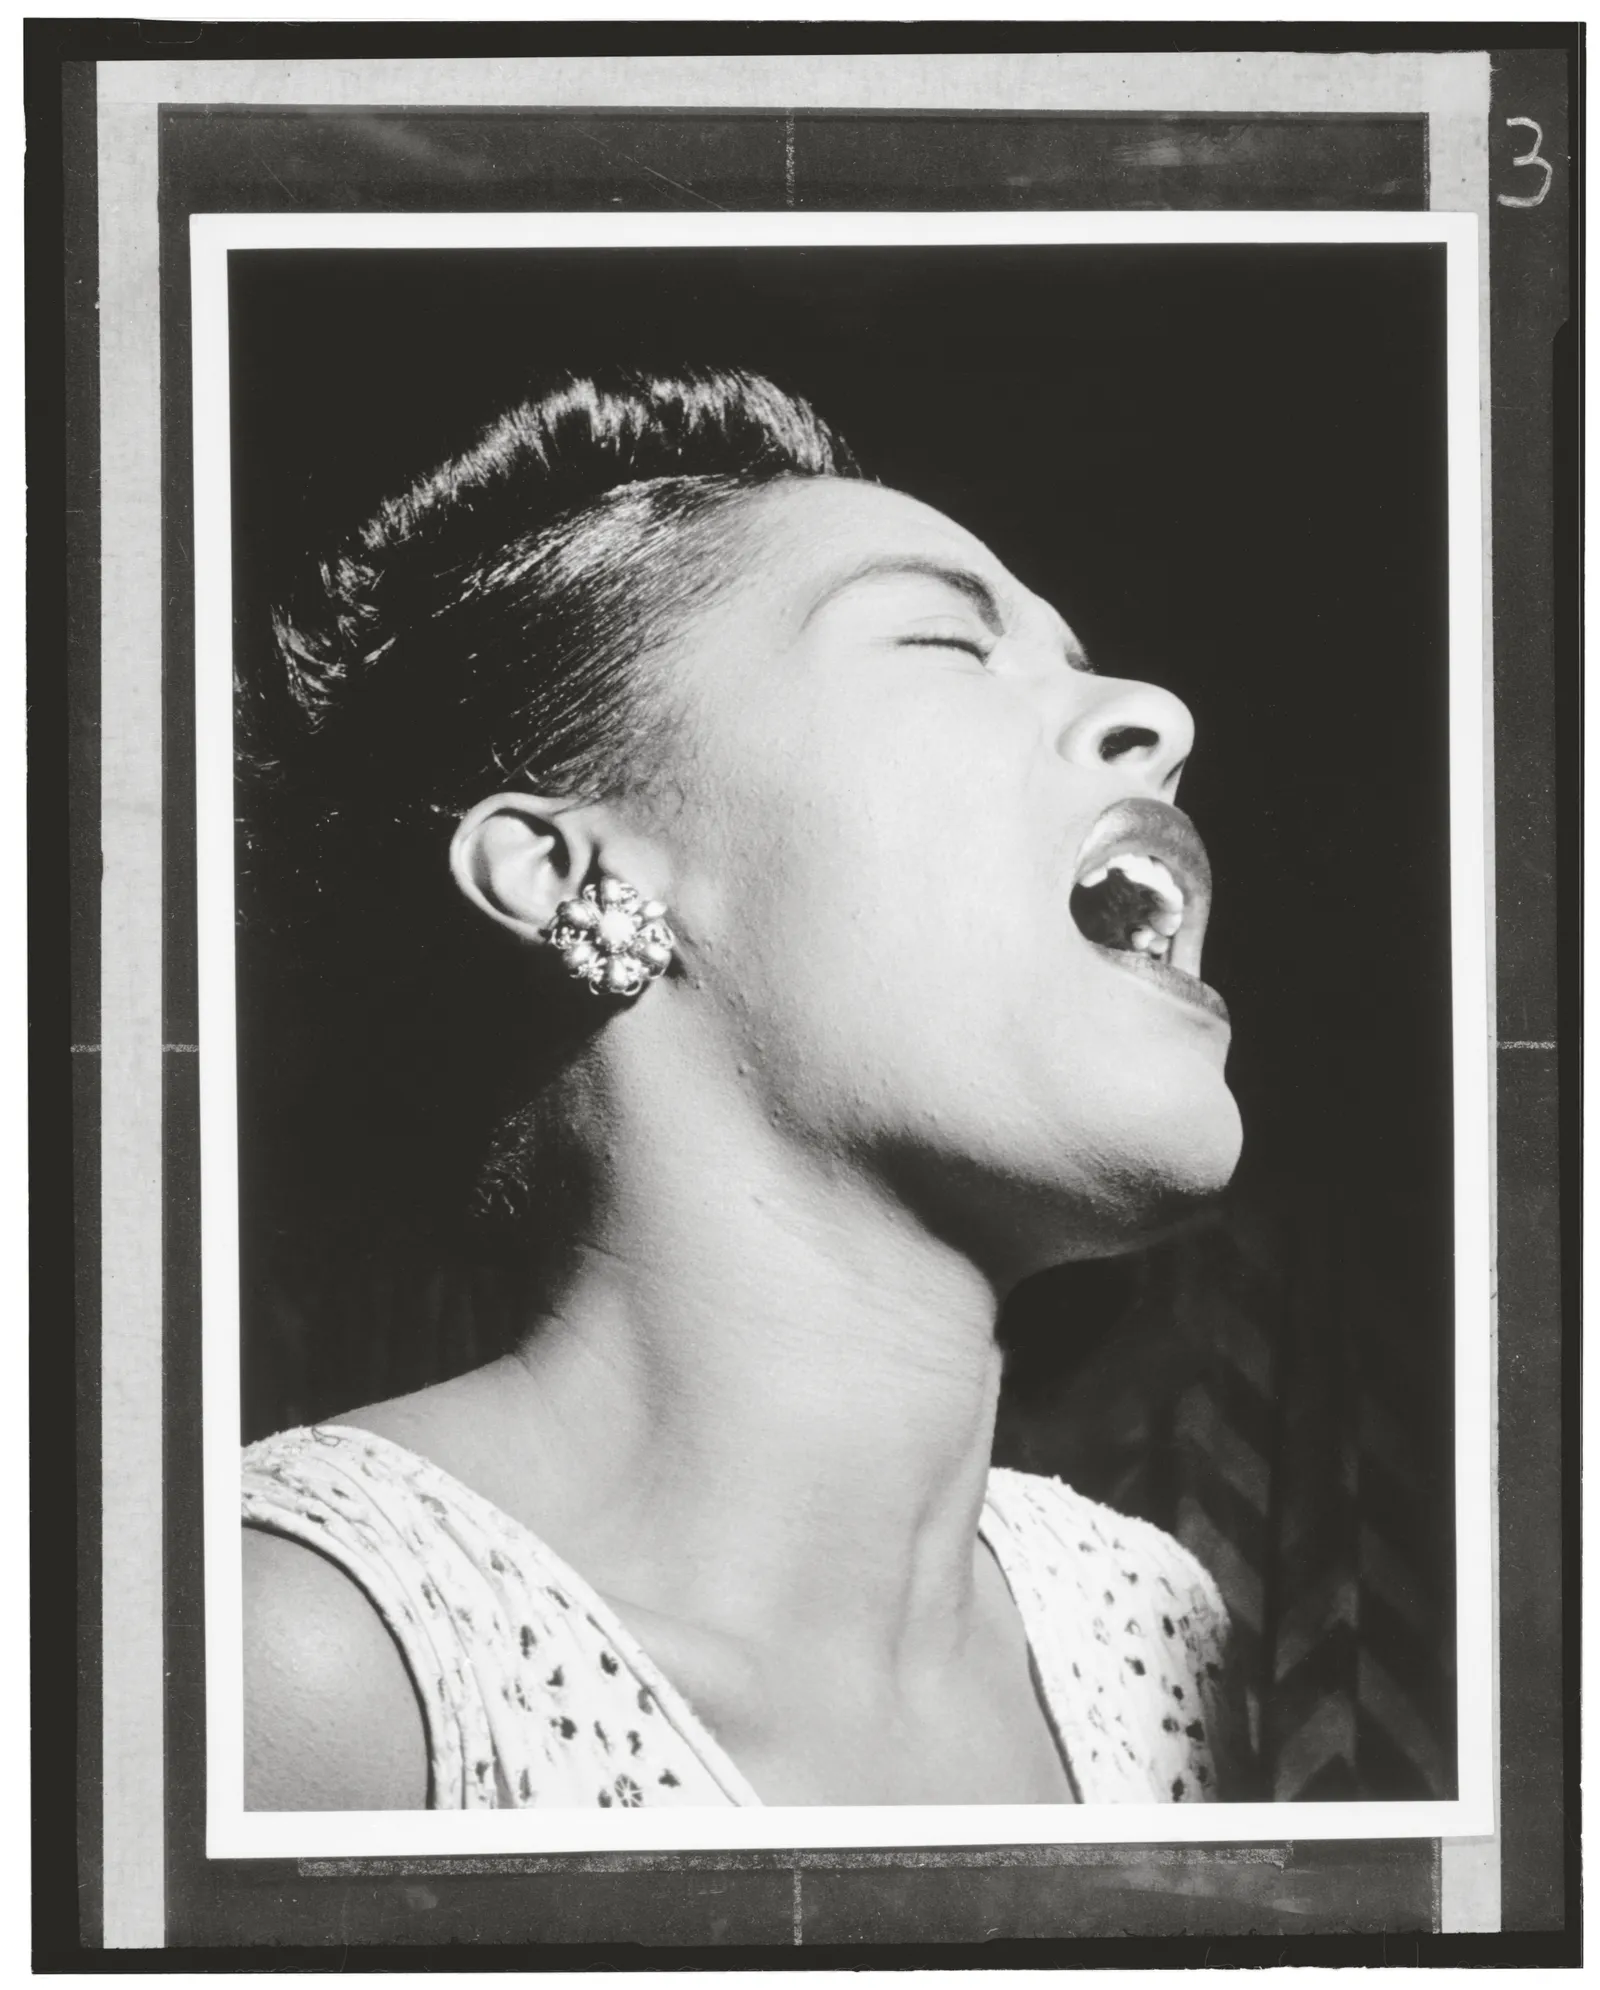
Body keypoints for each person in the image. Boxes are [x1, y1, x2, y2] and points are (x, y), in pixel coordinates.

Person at [240, 365, 1243, 1811]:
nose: (1156, 711)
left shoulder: (1159, 1631)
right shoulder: (302, 1660)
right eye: (946, 643)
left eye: (1082, 655)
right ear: (576, 872)